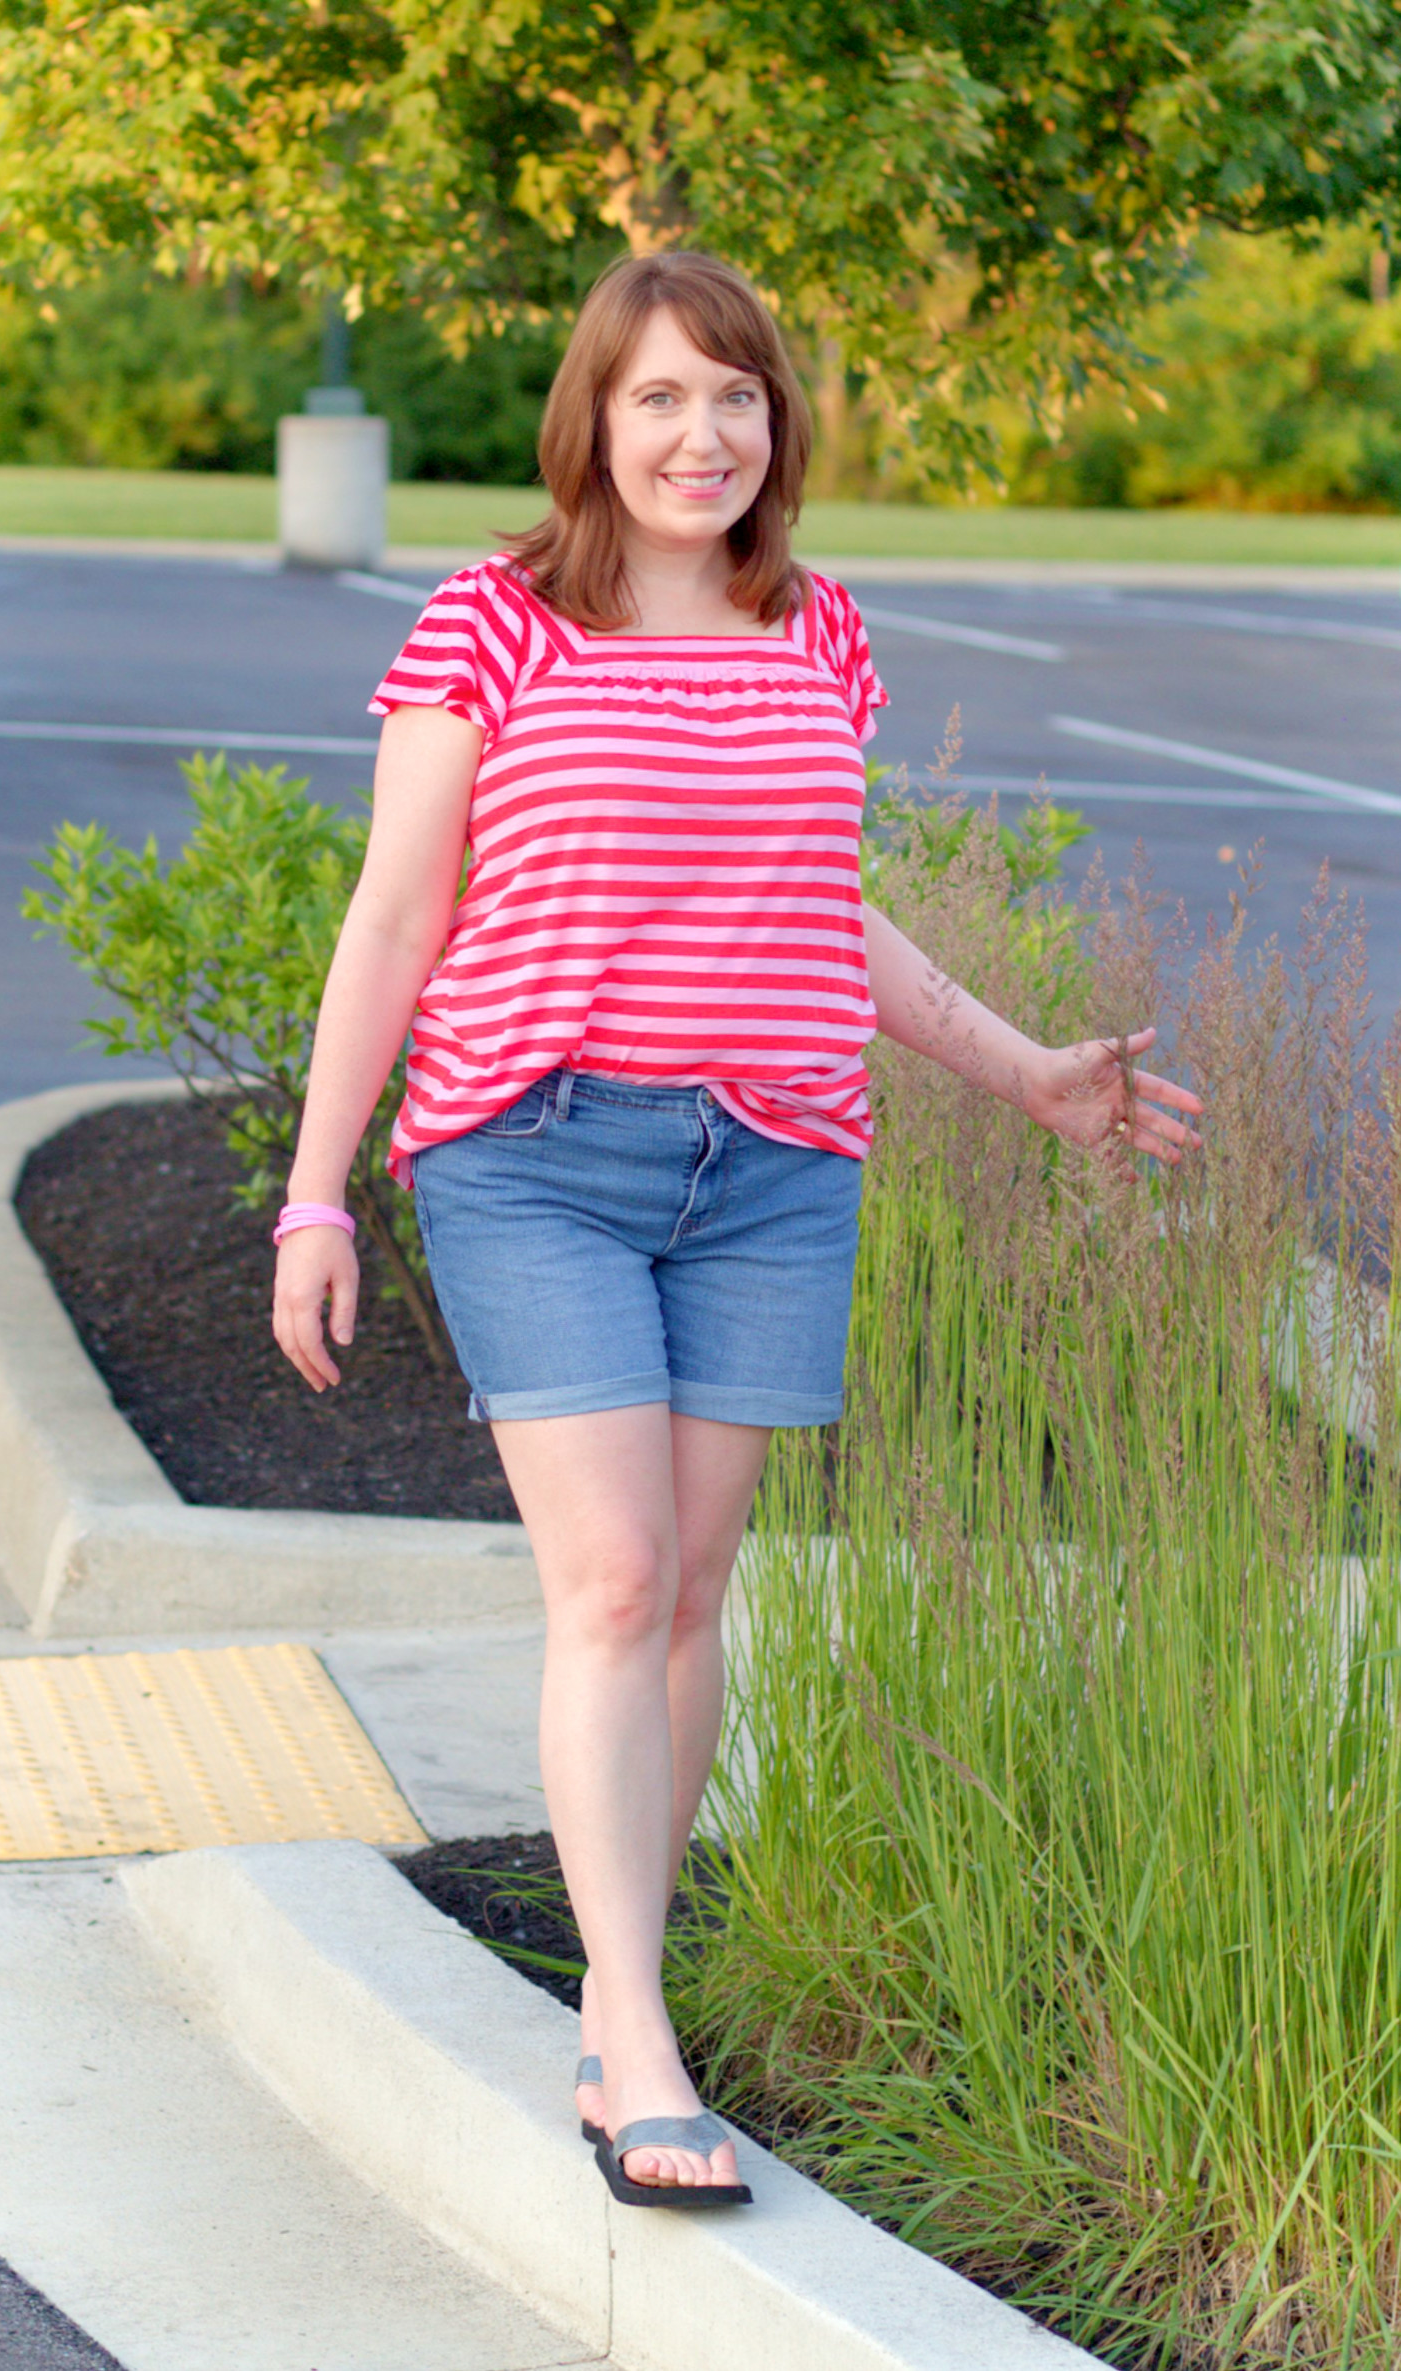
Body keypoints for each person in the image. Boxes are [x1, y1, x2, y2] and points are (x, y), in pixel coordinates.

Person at [272, 249, 1201, 2208]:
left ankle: (625, 2007)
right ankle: (632, 2030)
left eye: (739, 398)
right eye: (661, 399)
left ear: (779, 425)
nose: (703, 435)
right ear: (593, 424)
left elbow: (817, 907)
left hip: (775, 1167)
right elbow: (395, 916)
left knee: (692, 1596)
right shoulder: (495, 625)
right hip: (535, 1148)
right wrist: (315, 1190)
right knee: (611, 1581)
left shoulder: (819, 632)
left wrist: (1026, 1067)